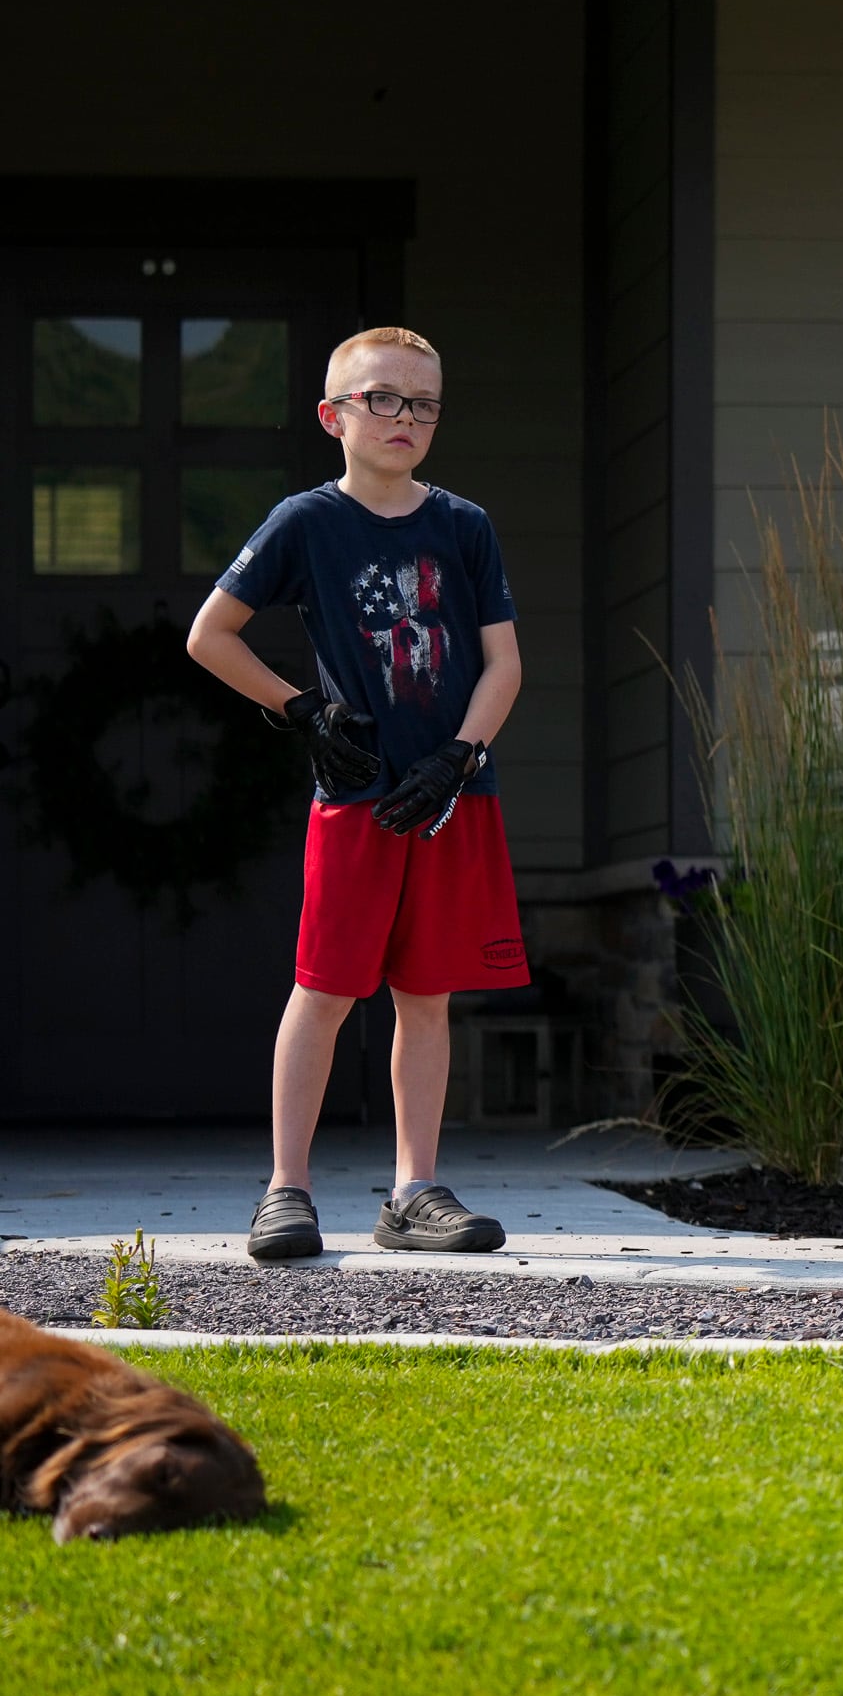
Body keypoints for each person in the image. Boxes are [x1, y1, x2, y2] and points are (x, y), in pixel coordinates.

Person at [189, 326, 524, 1262]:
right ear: (335, 415)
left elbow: (504, 663)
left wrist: (460, 753)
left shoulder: (465, 525)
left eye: (423, 402)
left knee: (427, 995)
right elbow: (210, 634)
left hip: (453, 795)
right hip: (358, 798)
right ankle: (284, 1189)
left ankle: (413, 1190)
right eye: (382, 398)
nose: (404, 416)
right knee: (324, 987)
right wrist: (302, 711)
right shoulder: (305, 522)